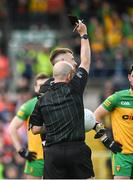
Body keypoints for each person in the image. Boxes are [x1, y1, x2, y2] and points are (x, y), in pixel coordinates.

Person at [29, 21, 95, 179]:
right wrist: (83, 34)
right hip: (76, 148)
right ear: (68, 72)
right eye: (72, 60)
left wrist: (54, 125)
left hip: (53, 152)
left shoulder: (43, 94)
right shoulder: (75, 86)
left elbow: (35, 129)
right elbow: (86, 61)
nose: (75, 63)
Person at [8, 73, 49, 179]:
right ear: (35, 88)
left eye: (46, 85)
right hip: (36, 158)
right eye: (40, 85)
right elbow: (12, 128)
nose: (43, 88)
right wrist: (21, 151)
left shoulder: (59, 103)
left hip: (54, 156)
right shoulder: (29, 106)